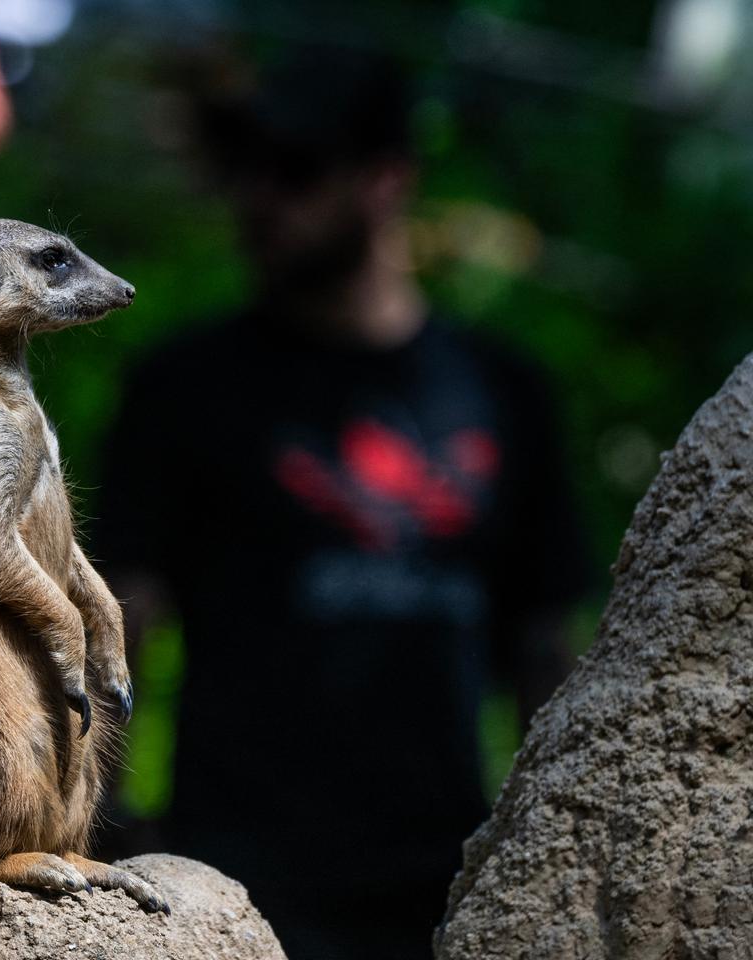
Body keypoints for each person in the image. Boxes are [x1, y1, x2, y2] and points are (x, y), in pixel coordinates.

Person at [95, 49, 590, 960]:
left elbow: (542, 650)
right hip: (233, 886)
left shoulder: (506, 391)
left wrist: (555, 846)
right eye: (246, 168)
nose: (262, 199)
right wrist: (103, 817)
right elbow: (121, 618)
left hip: (443, 884)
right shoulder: (184, 385)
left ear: (386, 180)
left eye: (298, 171)